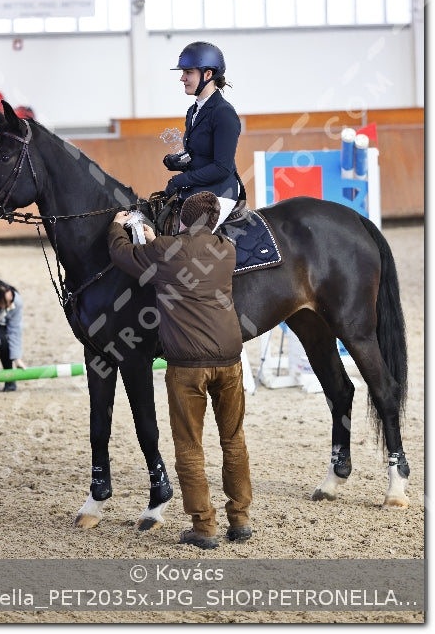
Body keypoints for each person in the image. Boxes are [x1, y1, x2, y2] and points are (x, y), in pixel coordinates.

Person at [107, 192, 252, 549]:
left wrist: (116, 227)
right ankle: (241, 520)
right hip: (231, 360)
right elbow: (185, 257)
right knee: (234, 440)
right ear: (215, 221)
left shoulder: (165, 250)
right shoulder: (227, 249)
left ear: (182, 219)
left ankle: (204, 527)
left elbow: (122, 254)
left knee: (190, 446)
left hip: (188, 366)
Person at [163, 42, 245, 230]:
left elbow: (222, 167)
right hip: (197, 190)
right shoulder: (193, 111)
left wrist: (180, 180)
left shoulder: (224, 113)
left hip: (220, 192)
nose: (182, 78)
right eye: (182, 73)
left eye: (188, 72)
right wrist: (179, 161)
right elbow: (199, 154)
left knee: (190, 245)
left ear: (208, 74)